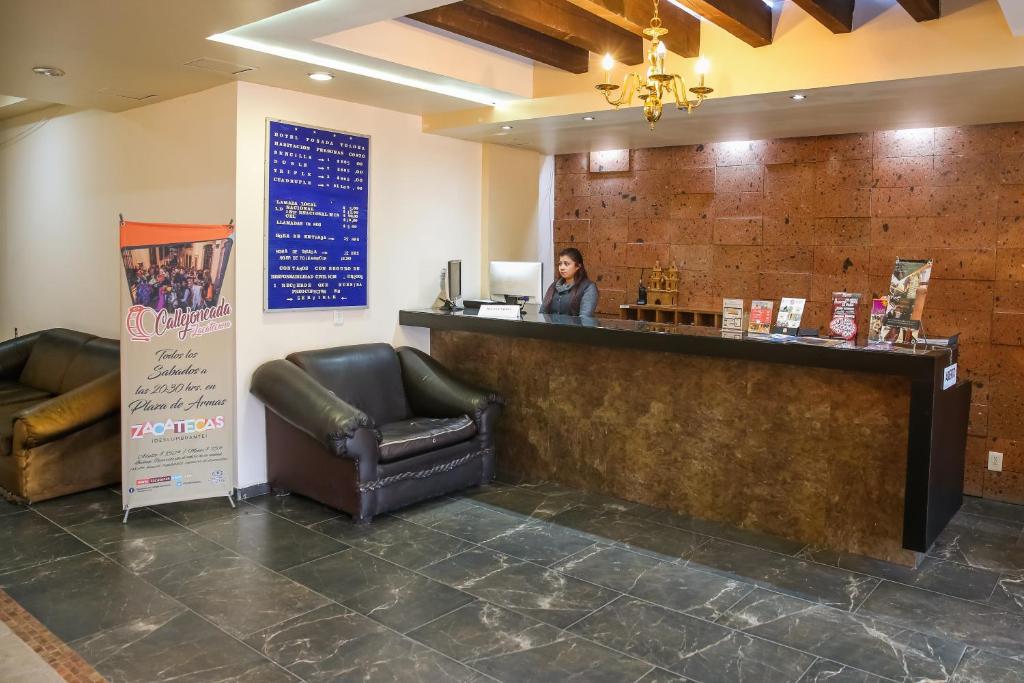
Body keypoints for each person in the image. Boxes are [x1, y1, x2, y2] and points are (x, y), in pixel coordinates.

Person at [540, 247, 599, 317]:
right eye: (560, 264)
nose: (561, 268)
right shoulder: (554, 285)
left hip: (575, 327)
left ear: (578, 266)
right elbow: (542, 313)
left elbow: (585, 319)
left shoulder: (588, 287)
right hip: (551, 327)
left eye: (566, 264)